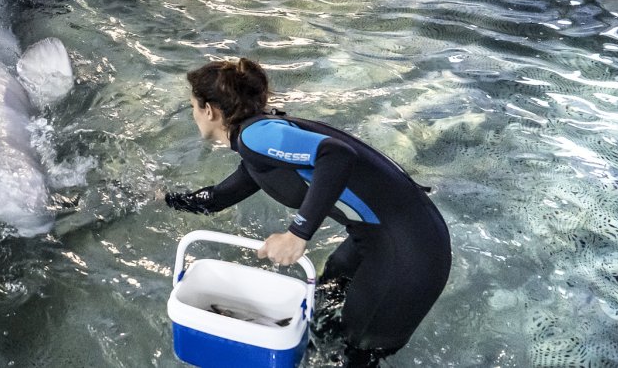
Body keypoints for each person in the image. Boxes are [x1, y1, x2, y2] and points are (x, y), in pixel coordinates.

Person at [165, 58, 451, 368]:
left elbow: (337, 154)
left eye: (193, 106)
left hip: (410, 251)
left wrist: (297, 233)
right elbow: (219, 197)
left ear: (209, 110)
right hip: (387, 236)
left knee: (352, 355)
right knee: (327, 304)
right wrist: (164, 199)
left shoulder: (255, 137)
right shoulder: (258, 142)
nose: (193, 114)